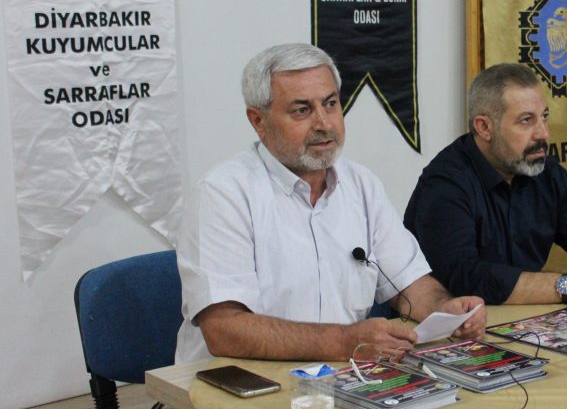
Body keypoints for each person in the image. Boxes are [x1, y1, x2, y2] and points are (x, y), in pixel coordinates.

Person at [174, 43, 486, 368]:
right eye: (302, 110)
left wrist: (445, 310)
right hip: (237, 383)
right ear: (258, 121)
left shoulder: (361, 184)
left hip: (342, 375)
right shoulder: (223, 194)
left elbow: (409, 282)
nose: (324, 124)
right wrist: (345, 341)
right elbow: (224, 330)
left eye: (331, 104)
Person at [404, 63, 567, 305]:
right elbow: (466, 277)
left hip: (522, 318)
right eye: (526, 120)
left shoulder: (546, 172)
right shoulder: (445, 183)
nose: (544, 133)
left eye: (544, 117)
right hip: (452, 322)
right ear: (484, 127)